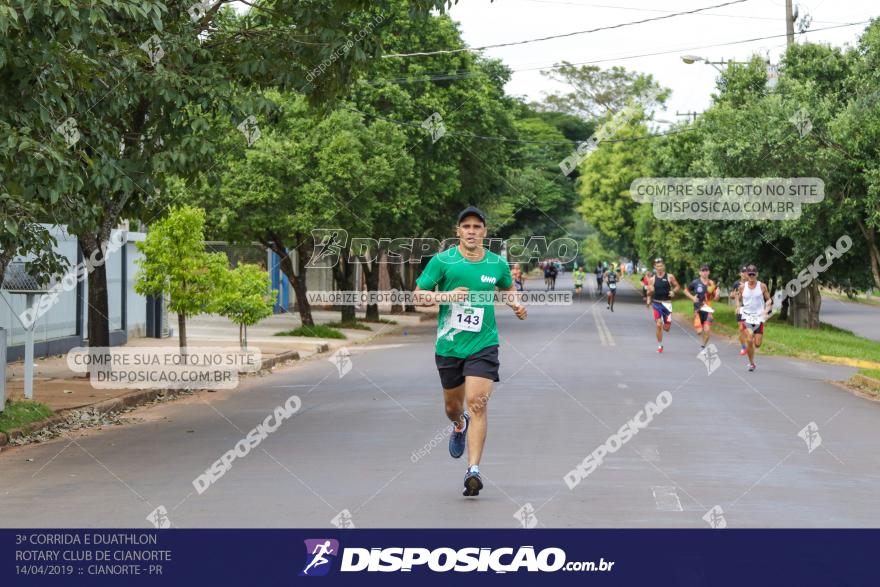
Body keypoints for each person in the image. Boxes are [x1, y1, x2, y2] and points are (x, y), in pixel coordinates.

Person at [414, 206, 527, 496]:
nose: (472, 231)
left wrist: (515, 303)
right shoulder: (442, 262)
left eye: (477, 227)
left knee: (477, 402)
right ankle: (458, 424)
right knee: (453, 407)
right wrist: (446, 296)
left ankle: (473, 470)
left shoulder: (496, 264)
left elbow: (508, 287)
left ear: (485, 232)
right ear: (458, 232)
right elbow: (418, 297)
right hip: (450, 345)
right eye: (467, 227)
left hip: (483, 344)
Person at [736, 264, 772, 372]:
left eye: (753, 274)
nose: (751, 276)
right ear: (746, 274)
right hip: (746, 316)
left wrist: (766, 310)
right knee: (749, 338)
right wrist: (738, 307)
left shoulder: (762, 286)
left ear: (756, 274)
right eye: (749, 274)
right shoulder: (742, 287)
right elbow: (739, 299)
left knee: (757, 344)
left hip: (758, 317)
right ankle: (751, 363)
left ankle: (752, 351)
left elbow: (769, 300)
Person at [646, 257, 681, 353]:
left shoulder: (670, 277)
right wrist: (648, 299)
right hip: (657, 304)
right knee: (658, 324)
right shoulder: (652, 279)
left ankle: (666, 325)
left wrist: (674, 292)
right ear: (655, 267)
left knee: (667, 328)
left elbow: (678, 286)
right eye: (657, 266)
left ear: (664, 266)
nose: (659, 268)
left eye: (661, 266)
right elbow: (648, 293)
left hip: (667, 304)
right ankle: (660, 345)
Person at [684, 264, 720, 349]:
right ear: (700, 272)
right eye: (703, 271)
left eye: (706, 270)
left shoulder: (712, 283)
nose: (705, 272)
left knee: (707, 330)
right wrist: (692, 297)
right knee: (699, 332)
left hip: (708, 310)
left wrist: (718, 293)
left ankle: (703, 346)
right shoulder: (695, 282)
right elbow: (685, 290)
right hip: (698, 310)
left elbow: (716, 299)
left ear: (709, 272)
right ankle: (700, 329)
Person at [730, 266, 749, 356]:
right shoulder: (736, 284)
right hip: (740, 308)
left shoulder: (751, 283)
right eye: (743, 272)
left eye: (746, 272)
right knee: (741, 329)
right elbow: (731, 295)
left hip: (750, 309)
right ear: (740, 273)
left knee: (748, 329)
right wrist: (733, 294)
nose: (744, 274)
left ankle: (749, 344)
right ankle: (744, 347)